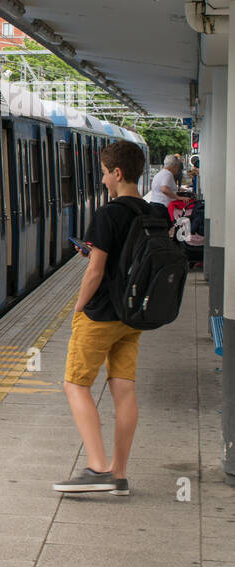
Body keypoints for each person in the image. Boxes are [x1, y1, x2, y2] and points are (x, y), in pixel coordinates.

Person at [54, 140, 152, 495]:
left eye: (105, 173)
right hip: (133, 315)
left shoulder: (108, 214)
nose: (103, 180)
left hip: (101, 315)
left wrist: (78, 307)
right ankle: (120, 474)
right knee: (123, 389)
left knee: (75, 385)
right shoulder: (154, 213)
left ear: (118, 173)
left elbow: (96, 271)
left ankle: (98, 468)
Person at [145, 154, 182, 219]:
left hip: (155, 205)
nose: (178, 169)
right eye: (177, 167)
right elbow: (164, 189)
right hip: (162, 208)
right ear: (174, 165)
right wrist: (178, 197)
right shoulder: (168, 174)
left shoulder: (160, 173)